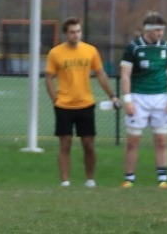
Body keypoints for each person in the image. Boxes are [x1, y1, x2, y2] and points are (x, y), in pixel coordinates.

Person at [44, 17, 117, 187]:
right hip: (64, 105)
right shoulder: (55, 53)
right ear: (66, 34)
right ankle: (65, 181)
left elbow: (100, 74)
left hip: (85, 103)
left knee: (88, 144)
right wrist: (55, 99)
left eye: (78, 31)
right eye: (72, 32)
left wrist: (112, 95)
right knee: (65, 143)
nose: (75, 35)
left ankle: (90, 179)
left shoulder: (90, 51)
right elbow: (48, 77)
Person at [119, 11, 167, 189]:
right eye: (157, 30)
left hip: (160, 98)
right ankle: (129, 179)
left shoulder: (166, 48)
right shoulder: (133, 48)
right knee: (133, 141)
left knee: (161, 140)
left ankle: (163, 179)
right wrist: (128, 100)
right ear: (148, 29)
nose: (160, 33)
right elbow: (125, 75)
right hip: (138, 98)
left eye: (162, 30)